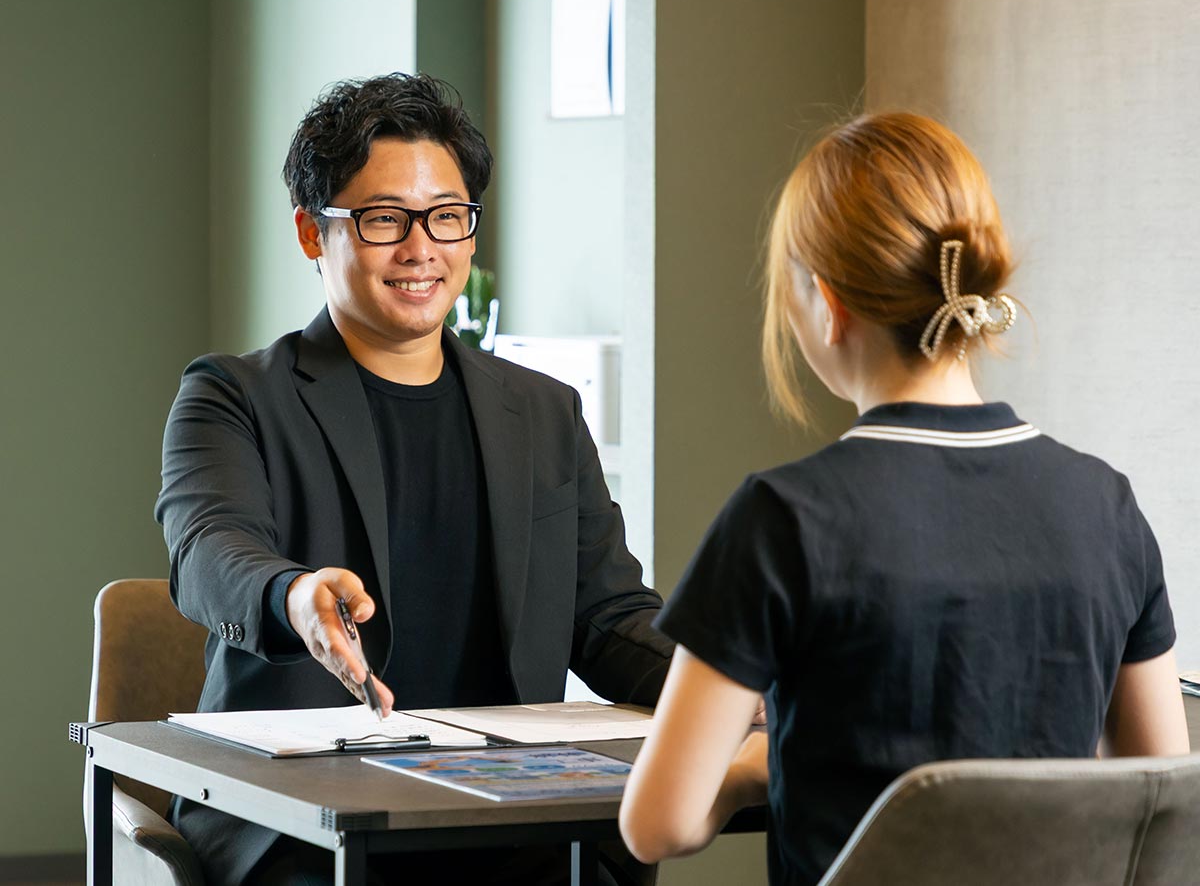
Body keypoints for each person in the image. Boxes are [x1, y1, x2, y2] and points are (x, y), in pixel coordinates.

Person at [618, 112, 1190, 885]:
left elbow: (658, 824)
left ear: (827, 303)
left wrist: (760, 764)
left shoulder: (783, 519)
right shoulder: (1108, 507)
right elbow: (1159, 799)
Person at [156, 72, 673, 886]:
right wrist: (294, 596)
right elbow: (208, 552)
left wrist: (729, 687)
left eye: (447, 217)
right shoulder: (234, 395)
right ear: (309, 232)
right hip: (301, 817)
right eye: (384, 219)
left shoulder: (542, 413)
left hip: (509, 814)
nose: (420, 248)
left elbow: (607, 617)